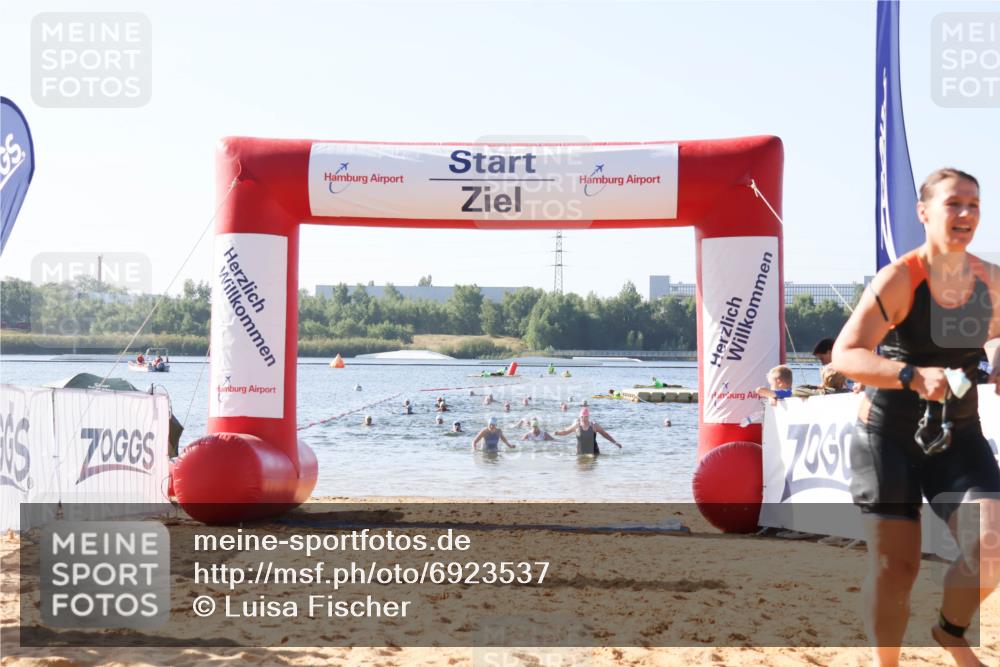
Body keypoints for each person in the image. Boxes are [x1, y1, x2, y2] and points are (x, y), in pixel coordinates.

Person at [833, 168, 1000, 667]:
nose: (966, 213)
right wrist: (910, 375)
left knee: (991, 545)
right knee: (896, 567)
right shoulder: (902, 278)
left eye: (973, 203)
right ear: (925, 213)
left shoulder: (989, 279)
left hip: (959, 434)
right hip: (889, 436)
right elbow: (846, 353)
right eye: (954, 204)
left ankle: (951, 632)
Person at [554, 407, 621, 455]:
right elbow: (566, 432)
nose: (584, 418)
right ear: (580, 417)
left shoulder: (594, 425)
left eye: (585, 416)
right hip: (581, 454)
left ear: (588, 417)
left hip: (594, 453)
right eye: (582, 417)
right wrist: (557, 433)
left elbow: (605, 434)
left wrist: (615, 443)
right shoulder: (576, 426)